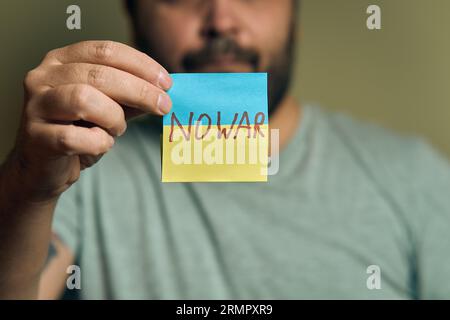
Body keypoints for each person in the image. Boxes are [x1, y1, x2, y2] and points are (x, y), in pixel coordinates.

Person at [0, 0, 449, 299]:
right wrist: (27, 185)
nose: (221, 19)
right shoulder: (72, 165)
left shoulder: (415, 177)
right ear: (133, 15)